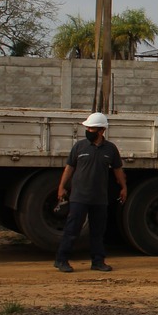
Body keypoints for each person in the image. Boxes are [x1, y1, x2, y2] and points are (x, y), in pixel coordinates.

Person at [54, 111, 128, 273]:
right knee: (72, 229)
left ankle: (98, 261)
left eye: (92, 129)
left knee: (98, 231)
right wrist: (62, 186)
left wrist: (123, 187)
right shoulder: (79, 147)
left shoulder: (110, 149)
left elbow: (117, 169)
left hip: (99, 198)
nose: (88, 131)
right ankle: (61, 260)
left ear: (102, 131)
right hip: (79, 196)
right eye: (87, 128)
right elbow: (69, 168)